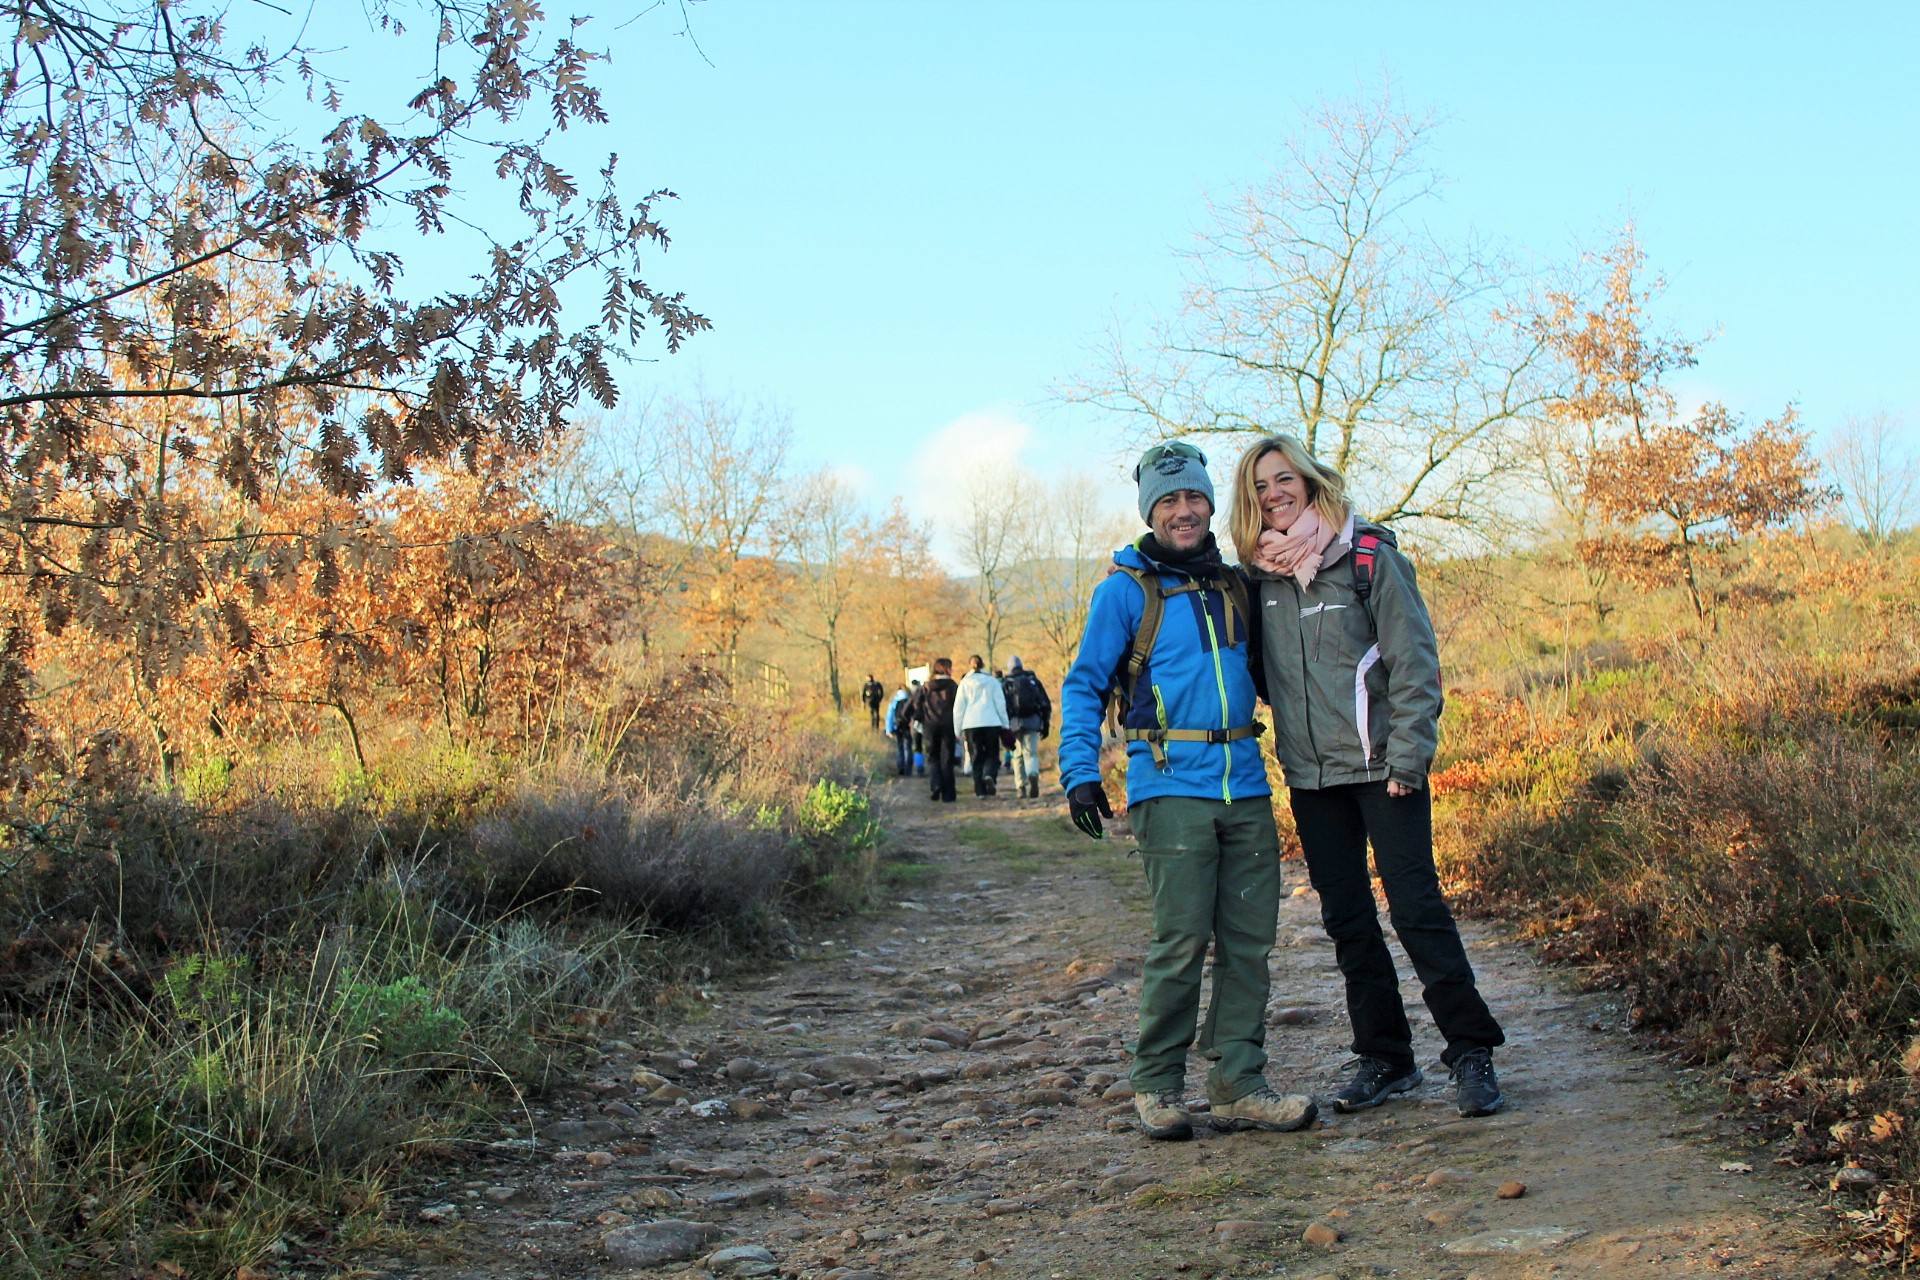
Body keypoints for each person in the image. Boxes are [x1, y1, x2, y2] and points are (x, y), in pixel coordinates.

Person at [1229, 434, 1506, 1119]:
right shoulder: (1258, 579)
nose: (1274, 494)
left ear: (1311, 479)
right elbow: (1265, 677)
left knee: (1416, 911)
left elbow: (1415, 666)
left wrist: (1409, 756)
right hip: (1313, 778)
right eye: (1260, 486)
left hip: (1386, 770)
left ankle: (1471, 1052)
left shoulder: (1368, 557)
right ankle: (1385, 1057)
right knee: (1349, 921)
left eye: (1284, 478)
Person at [1058, 440, 1317, 1141]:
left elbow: (1282, 671)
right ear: (1150, 509)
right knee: (1180, 942)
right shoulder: (1125, 591)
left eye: (1194, 497)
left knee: (1248, 942)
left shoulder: (1235, 583)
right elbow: (1084, 684)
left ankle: (1238, 1083)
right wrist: (1080, 772)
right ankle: (1157, 1085)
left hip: (1246, 787)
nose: (1183, 511)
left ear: (1209, 502)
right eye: (1168, 500)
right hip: (1168, 786)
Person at [953, 654, 1010, 797]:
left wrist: (957, 729)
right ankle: (989, 774)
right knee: (992, 754)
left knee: (976, 757)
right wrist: (1005, 725)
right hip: (991, 722)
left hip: (971, 724)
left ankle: (980, 790)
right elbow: (1000, 705)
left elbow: (959, 708)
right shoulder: (992, 682)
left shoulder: (965, 683)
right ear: (983, 665)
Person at [906, 660, 959, 802]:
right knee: (947, 759)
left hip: (930, 726)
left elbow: (915, 704)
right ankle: (948, 794)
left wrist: (917, 717)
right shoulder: (953, 686)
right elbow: (959, 706)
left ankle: (935, 785)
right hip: (948, 725)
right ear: (947, 669)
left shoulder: (926, 687)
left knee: (933, 757)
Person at [1001, 656, 1051, 799]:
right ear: (1021, 666)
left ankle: (1021, 787)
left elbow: (1002, 707)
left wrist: (1004, 727)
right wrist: (1045, 724)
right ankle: (1033, 774)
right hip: (1033, 721)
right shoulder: (1033, 681)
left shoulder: (1006, 683)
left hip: (1014, 724)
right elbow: (1045, 703)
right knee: (1031, 753)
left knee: (1017, 755)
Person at [885, 682, 913, 776]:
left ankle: (901, 767)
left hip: (897, 726)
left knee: (900, 747)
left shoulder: (894, 700)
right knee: (908, 748)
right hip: (907, 726)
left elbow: (889, 716)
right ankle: (909, 768)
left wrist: (888, 729)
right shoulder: (910, 699)